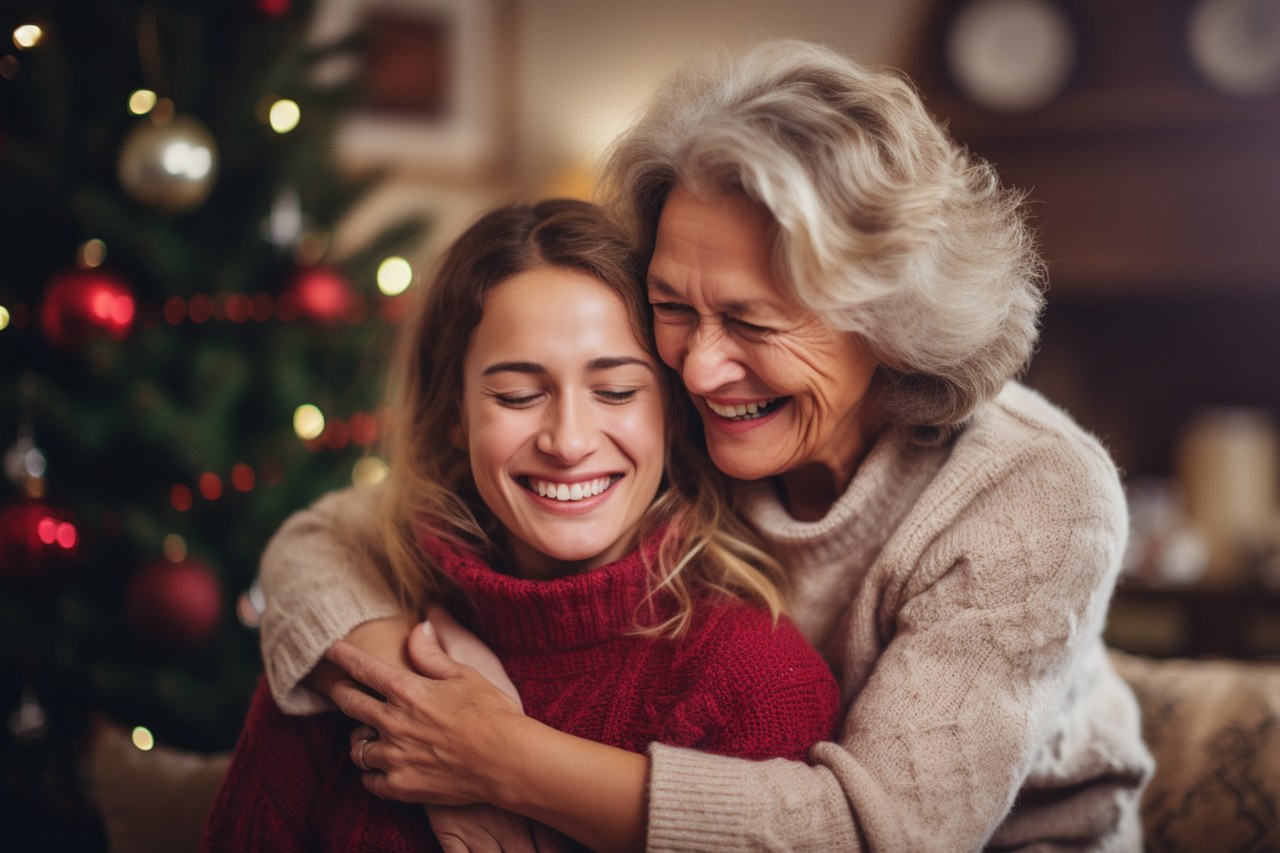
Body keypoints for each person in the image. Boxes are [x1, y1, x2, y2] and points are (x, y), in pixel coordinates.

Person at [258, 40, 1153, 852]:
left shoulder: (1036, 489)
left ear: (886, 320)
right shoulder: (681, 406)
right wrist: (430, 697)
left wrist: (504, 759)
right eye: (674, 307)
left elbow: (877, 835)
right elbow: (328, 537)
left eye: (752, 320)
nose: (700, 364)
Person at [201, 199, 840, 852]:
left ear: (673, 412)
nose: (568, 441)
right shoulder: (346, 643)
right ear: (454, 412)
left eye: (616, 391)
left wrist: (502, 768)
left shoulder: (758, 681)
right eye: (517, 395)